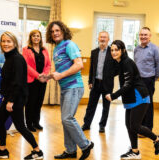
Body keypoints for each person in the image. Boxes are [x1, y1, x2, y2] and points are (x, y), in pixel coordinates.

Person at [105, 40, 159, 159]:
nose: (113, 52)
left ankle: (157, 139)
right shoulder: (119, 62)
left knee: (135, 126)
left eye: (116, 50)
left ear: (122, 50)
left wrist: (113, 95)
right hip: (130, 98)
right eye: (112, 50)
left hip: (139, 96)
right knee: (129, 125)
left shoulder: (127, 62)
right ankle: (135, 151)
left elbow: (128, 84)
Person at [0, 31, 43, 160]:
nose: (5, 44)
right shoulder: (9, 57)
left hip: (16, 98)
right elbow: (8, 80)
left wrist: (10, 100)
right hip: (10, 96)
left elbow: (17, 82)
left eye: (8, 41)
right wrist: (6, 96)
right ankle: (3, 150)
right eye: (3, 41)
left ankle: (37, 151)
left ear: (14, 43)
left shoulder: (17, 58)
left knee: (20, 126)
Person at [46, 21, 94, 160]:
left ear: (63, 31)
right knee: (65, 120)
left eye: (57, 30)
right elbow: (60, 68)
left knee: (67, 118)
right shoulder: (56, 49)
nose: (55, 33)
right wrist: (49, 75)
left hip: (74, 86)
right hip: (65, 87)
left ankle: (86, 144)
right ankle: (71, 150)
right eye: (52, 31)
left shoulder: (69, 45)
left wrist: (60, 75)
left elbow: (79, 65)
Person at [81, 31, 118, 133]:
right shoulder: (94, 52)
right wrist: (90, 81)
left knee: (106, 106)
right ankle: (86, 124)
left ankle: (102, 125)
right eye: (101, 37)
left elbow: (117, 68)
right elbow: (91, 68)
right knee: (91, 105)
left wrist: (110, 76)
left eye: (105, 37)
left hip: (107, 84)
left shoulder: (112, 52)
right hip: (95, 83)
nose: (102, 39)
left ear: (108, 39)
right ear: (98, 38)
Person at [134, 27, 159, 132]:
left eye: (145, 35)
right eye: (141, 35)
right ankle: (139, 126)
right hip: (137, 80)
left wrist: (154, 78)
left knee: (148, 104)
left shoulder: (155, 49)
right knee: (139, 104)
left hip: (148, 80)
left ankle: (148, 128)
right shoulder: (136, 49)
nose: (143, 37)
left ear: (150, 36)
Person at [22, 30, 51, 132]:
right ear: (31, 38)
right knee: (30, 103)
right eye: (34, 36)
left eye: (38, 36)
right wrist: (38, 75)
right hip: (31, 80)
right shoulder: (26, 49)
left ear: (40, 38)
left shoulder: (44, 50)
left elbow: (48, 65)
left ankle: (36, 122)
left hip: (42, 81)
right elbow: (26, 66)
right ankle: (29, 124)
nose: (36, 38)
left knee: (39, 102)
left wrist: (44, 75)